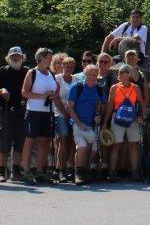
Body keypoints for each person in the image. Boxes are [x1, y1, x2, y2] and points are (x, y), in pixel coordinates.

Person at [21, 47, 62, 185]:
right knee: (29, 140)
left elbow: (56, 92)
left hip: (47, 112)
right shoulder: (32, 72)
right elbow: (24, 92)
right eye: (49, 57)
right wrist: (42, 96)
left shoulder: (51, 74)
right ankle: (26, 171)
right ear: (42, 58)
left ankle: (40, 172)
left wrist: (52, 95)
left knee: (43, 142)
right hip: (33, 111)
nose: (51, 59)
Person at [103, 64, 145, 182]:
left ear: (129, 74)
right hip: (117, 117)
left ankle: (135, 172)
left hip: (132, 118)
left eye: (123, 71)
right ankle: (112, 172)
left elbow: (142, 104)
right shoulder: (114, 88)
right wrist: (105, 121)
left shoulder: (135, 88)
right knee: (116, 145)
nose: (120, 74)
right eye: (120, 72)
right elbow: (110, 105)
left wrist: (141, 117)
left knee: (133, 145)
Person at [67, 63, 105, 185]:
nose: (92, 77)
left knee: (94, 149)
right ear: (84, 74)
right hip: (78, 123)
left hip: (93, 124)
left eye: (94, 74)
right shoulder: (77, 88)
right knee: (82, 146)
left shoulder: (99, 89)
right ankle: (78, 173)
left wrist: (100, 116)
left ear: (97, 75)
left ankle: (86, 170)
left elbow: (103, 105)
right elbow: (70, 107)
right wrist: (78, 123)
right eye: (89, 74)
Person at [0, 46, 28, 183]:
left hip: (21, 110)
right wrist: (2, 90)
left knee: (19, 142)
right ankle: (0, 171)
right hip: (5, 109)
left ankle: (16, 171)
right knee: (3, 141)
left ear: (22, 58)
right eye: (13, 56)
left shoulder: (27, 72)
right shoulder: (3, 71)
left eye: (18, 56)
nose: (15, 58)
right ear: (8, 58)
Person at [53, 55, 75, 183]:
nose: (69, 69)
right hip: (60, 113)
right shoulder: (58, 79)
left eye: (71, 67)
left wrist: (72, 113)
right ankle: (61, 170)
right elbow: (56, 98)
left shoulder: (76, 79)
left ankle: (72, 169)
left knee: (72, 141)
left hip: (73, 114)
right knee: (63, 139)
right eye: (67, 67)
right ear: (63, 67)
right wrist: (65, 112)